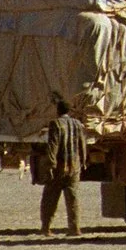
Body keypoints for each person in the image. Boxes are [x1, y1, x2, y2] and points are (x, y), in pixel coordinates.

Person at [40, 97, 88, 239]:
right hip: (74, 167)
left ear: (58, 110)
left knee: (50, 198)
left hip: (58, 169)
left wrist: (50, 165)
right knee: (73, 199)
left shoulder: (55, 124)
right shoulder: (78, 124)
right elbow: (82, 145)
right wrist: (83, 161)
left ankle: (46, 228)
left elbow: (53, 146)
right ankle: (75, 228)